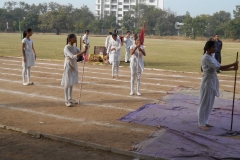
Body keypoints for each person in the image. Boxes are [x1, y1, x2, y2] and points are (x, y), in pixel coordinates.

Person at [198, 40, 238, 130]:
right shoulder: (206, 58)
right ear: (208, 48)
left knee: (210, 102)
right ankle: (201, 123)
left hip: (212, 80)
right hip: (207, 81)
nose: (215, 49)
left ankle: (205, 121)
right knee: (205, 102)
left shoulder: (212, 56)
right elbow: (219, 67)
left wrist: (233, 69)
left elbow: (218, 67)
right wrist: (233, 64)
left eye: (215, 47)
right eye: (213, 47)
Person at [61, 34, 86, 107]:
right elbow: (72, 56)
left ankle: (70, 98)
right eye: (74, 38)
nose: (75, 39)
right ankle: (66, 100)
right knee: (67, 81)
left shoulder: (74, 47)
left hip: (74, 64)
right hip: (68, 64)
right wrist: (83, 51)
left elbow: (81, 52)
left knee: (71, 81)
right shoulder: (66, 48)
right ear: (70, 39)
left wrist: (85, 48)